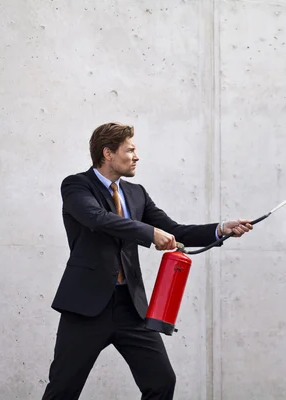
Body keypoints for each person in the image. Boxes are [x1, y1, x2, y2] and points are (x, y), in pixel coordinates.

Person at [42, 122, 253, 399]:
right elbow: (98, 219)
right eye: (130, 150)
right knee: (63, 390)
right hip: (86, 307)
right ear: (108, 153)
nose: (137, 156)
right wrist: (149, 233)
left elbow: (175, 231)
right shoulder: (76, 186)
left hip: (132, 307)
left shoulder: (136, 193)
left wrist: (221, 228)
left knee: (162, 382)